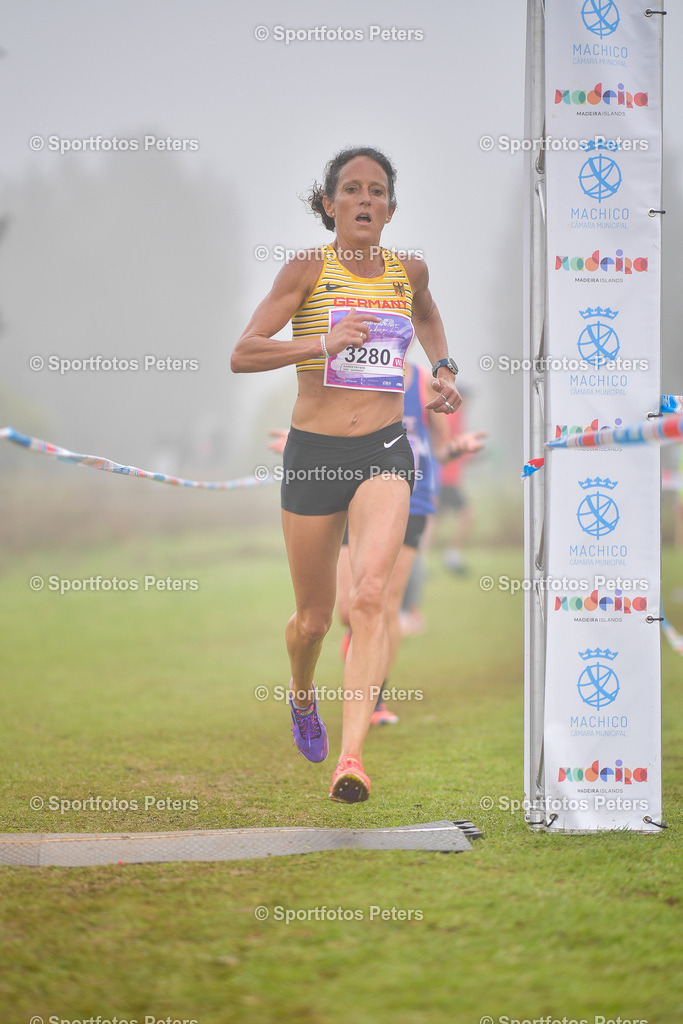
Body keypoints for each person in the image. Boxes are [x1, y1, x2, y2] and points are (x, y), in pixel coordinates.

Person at [231, 147, 461, 803]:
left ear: (390, 208)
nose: (365, 200)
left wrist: (444, 371)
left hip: (385, 451)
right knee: (312, 619)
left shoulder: (407, 269)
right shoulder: (307, 269)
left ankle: (352, 759)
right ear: (328, 204)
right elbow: (243, 353)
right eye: (352, 190)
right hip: (313, 453)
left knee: (368, 598)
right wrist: (319, 343)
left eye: (377, 191)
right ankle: (302, 694)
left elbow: (426, 315)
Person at [336, 362, 485, 724]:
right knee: (347, 610)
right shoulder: (352, 372)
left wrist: (457, 447)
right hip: (355, 495)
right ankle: (361, 655)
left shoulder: (424, 382)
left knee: (385, 604)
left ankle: (375, 700)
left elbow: (441, 447)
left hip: (411, 498)